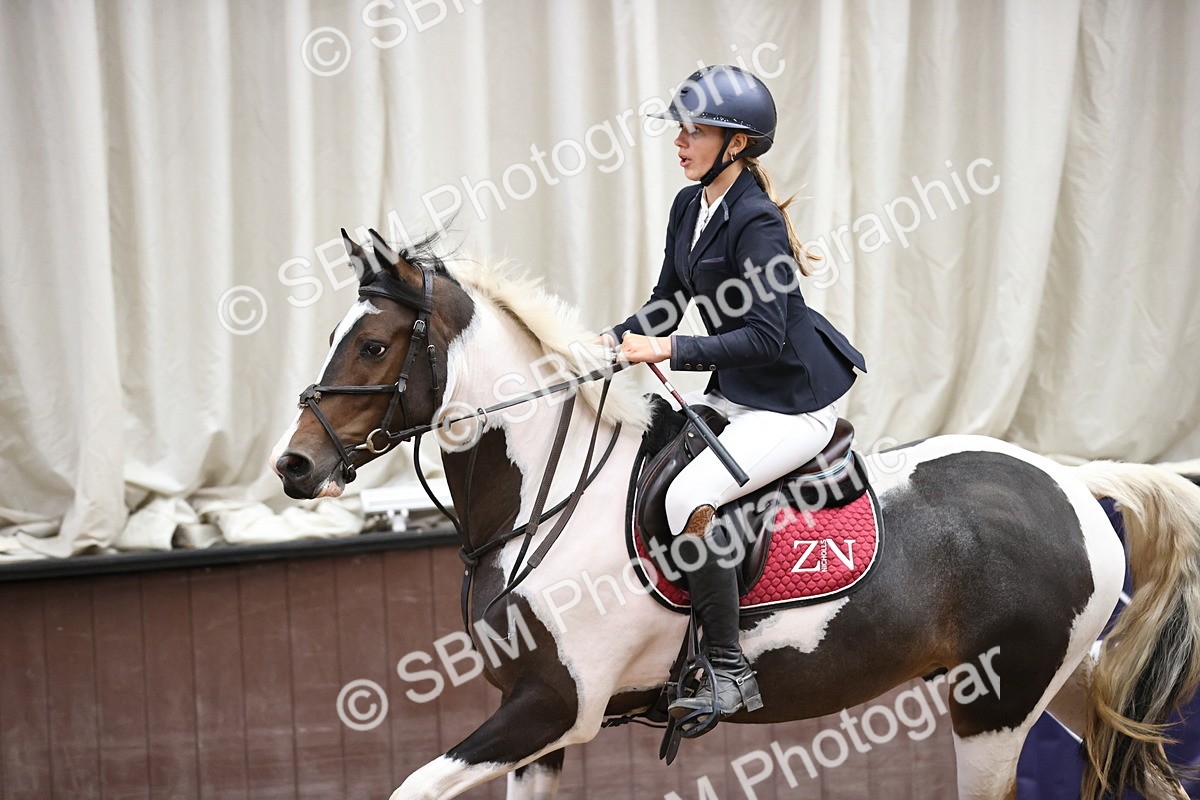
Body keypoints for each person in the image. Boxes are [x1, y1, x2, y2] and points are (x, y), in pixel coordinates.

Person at [601, 65, 867, 726]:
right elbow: (665, 305)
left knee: (694, 495)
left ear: (737, 144)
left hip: (792, 402)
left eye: (697, 131)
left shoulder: (755, 222)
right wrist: (599, 345)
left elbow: (768, 337)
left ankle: (728, 670)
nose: (680, 141)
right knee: (648, 456)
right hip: (738, 392)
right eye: (680, 129)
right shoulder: (690, 206)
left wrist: (669, 350)